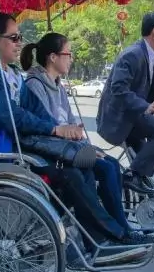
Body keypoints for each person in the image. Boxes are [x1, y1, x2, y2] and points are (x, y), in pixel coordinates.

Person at [0, 13, 146, 267]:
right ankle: (113, 236)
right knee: (70, 175)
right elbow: (12, 117)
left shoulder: (10, 74)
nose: (19, 43)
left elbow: (35, 112)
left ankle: (95, 242)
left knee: (84, 169)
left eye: (20, 37)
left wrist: (63, 132)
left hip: (17, 146)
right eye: (14, 38)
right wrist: (56, 130)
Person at [19, 33, 143, 241]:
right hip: (50, 148)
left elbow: (72, 123)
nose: (71, 58)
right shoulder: (35, 85)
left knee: (111, 164)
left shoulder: (58, 86)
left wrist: (87, 146)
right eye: (68, 53)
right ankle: (116, 233)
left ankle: (121, 227)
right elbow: (50, 126)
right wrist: (80, 146)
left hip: (67, 146)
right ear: (53, 57)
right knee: (100, 167)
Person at [97, 12, 154, 194]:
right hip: (119, 119)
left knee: (145, 163)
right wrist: (146, 106)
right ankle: (130, 176)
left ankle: (137, 184)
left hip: (133, 117)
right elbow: (118, 89)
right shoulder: (132, 55)